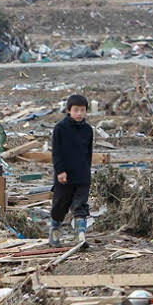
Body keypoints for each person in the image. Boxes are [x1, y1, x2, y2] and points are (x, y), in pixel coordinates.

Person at [50, 94, 93, 246]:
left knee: (80, 205)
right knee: (60, 205)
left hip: (82, 175)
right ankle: (54, 231)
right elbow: (56, 153)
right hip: (64, 175)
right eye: (76, 110)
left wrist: (87, 172)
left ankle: (81, 236)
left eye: (82, 110)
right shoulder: (60, 128)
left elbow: (89, 153)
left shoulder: (88, 130)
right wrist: (60, 171)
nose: (79, 113)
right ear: (69, 110)